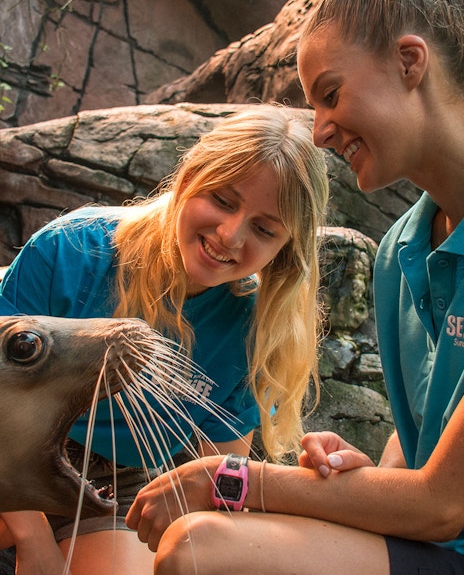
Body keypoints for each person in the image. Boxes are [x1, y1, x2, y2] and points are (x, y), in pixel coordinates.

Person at [125, 0, 464, 573]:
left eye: (330, 95)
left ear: (410, 62)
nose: (322, 131)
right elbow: (418, 453)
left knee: (203, 547)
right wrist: (365, 479)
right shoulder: (401, 253)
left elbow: (444, 503)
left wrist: (232, 479)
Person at [0, 104, 329, 574]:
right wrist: (35, 542)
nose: (230, 235)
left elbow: (215, 471)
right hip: (11, 444)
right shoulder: (70, 249)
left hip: (122, 479)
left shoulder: (253, 327)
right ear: (189, 177)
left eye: (263, 229)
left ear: (284, 249)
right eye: (222, 199)